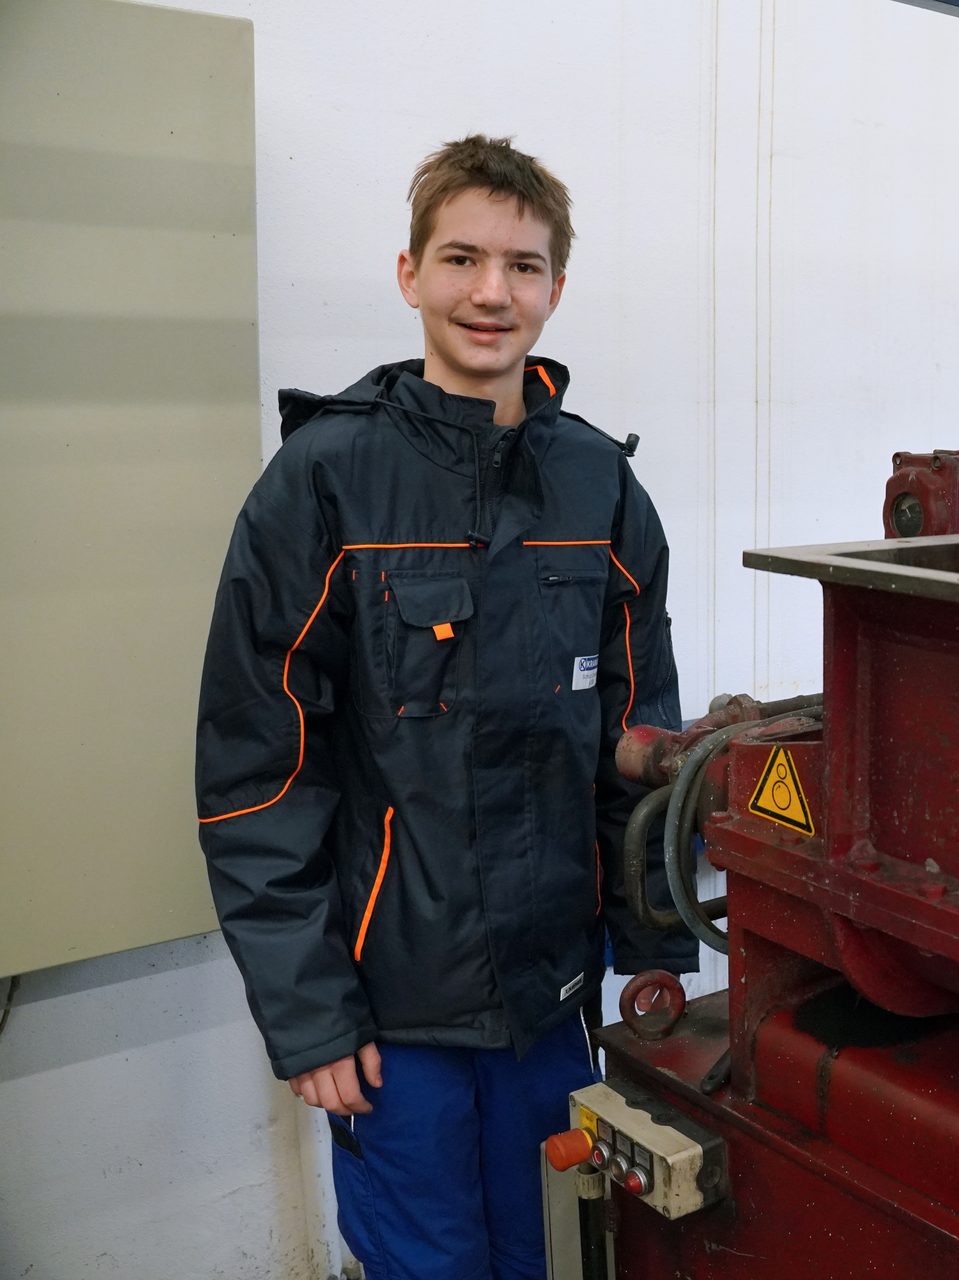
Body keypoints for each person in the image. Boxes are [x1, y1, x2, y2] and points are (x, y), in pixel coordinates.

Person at [195, 135, 692, 1280]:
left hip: (553, 1002)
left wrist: (655, 948)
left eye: (522, 266)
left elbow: (642, 747)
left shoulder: (601, 487)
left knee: (561, 1256)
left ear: (555, 290)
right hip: (393, 1019)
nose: (491, 291)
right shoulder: (322, 481)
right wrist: (312, 1016)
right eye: (462, 257)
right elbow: (260, 769)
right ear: (409, 271)